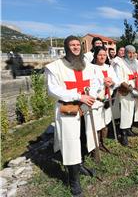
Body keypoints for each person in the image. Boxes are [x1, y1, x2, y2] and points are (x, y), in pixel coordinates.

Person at [45, 36, 100, 196]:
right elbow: (53, 90)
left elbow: (96, 82)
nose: (76, 47)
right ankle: (73, 180)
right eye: (72, 45)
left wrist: (93, 95)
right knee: (70, 143)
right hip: (67, 107)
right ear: (66, 47)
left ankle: (79, 165)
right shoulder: (55, 67)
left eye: (78, 45)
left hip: (85, 106)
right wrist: (78, 96)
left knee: (83, 136)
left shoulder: (88, 66)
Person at [114, 45, 138, 146]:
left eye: (133, 52)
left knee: (134, 110)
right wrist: (131, 90)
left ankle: (129, 129)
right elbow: (119, 79)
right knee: (126, 111)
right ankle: (123, 134)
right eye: (129, 52)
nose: (131, 55)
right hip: (126, 91)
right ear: (125, 53)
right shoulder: (119, 63)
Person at [91, 46, 120, 152]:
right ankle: (96, 145)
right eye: (100, 55)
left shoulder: (109, 67)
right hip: (97, 100)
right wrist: (103, 82)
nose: (102, 57)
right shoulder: (91, 67)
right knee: (96, 123)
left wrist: (111, 82)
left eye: (104, 55)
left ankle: (102, 142)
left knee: (105, 121)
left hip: (108, 98)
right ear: (95, 56)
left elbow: (117, 82)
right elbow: (90, 83)